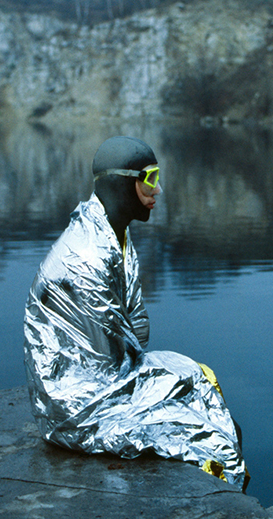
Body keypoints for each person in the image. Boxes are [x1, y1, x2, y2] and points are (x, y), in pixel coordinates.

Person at [23, 135, 248, 489]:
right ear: (122, 183)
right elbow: (121, 350)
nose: (157, 191)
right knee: (209, 438)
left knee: (200, 376)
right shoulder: (86, 256)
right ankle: (226, 503)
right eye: (150, 178)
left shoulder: (116, 239)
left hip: (111, 372)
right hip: (78, 405)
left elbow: (135, 335)